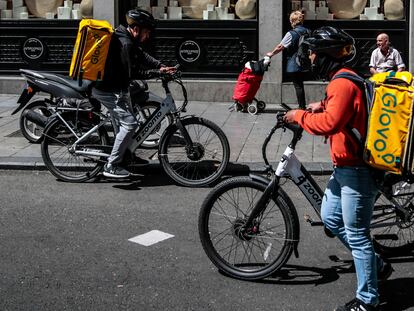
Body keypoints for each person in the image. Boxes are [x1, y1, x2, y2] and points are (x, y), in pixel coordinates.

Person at [283, 26, 393, 311]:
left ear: (327, 57)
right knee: (331, 218)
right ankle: (377, 265)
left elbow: (330, 124)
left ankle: (368, 300)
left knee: (357, 235)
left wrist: (299, 115)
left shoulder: (341, 83)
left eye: (314, 53)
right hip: (344, 168)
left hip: (357, 171)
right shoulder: (343, 81)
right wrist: (322, 104)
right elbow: (343, 109)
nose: (310, 58)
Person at [92, 9, 176, 178]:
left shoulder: (126, 36)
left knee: (129, 120)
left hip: (118, 87)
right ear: (137, 29)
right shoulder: (125, 43)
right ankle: (112, 165)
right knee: (130, 124)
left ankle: (126, 155)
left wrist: (160, 66)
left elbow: (142, 56)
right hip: (107, 90)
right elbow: (134, 71)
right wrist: (157, 73)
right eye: (146, 32)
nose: (148, 37)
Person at [266, 10, 310, 109]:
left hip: (295, 62)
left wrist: (271, 54)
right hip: (305, 61)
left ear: (292, 21)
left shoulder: (291, 33)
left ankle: (302, 107)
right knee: (300, 84)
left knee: (298, 85)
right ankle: (302, 106)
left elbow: (280, 47)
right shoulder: (307, 31)